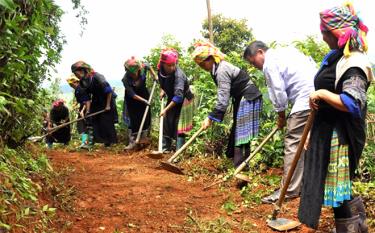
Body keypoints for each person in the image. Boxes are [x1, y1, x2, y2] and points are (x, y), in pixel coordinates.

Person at [298, 3, 373, 232]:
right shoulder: (336, 57)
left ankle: (350, 228)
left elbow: (352, 102)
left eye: (325, 33)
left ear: (337, 32)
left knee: (337, 186)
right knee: (335, 184)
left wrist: (321, 93)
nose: (322, 38)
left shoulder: (355, 62)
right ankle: (356, 225)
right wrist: (313, 131)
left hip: (341, 133)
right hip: (325, 129)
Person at [243, 41, 317, 203]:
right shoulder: (287, 51)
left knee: (293, 143)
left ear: (260, 52)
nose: (253, 65)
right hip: (318, 95)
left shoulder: (269, 63)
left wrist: (281, 115)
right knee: (308, 143)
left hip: (305, 100)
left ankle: (289, 190)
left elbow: (278, 91)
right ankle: (303, 185)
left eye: (252, 61)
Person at [192, 42, 262, 168]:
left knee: (242, 131)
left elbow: (223, 99)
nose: (202, 66)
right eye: (199, 65)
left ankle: (241, 167)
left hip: (248, 96)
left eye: (203, 63)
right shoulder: (216, 69)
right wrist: (212, 116)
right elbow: (224, 94)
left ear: (211, 59)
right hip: (241, 97)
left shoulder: (221, 70)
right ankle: (237, 163)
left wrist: (210, 117)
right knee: (238, 128)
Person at [71, 61, 118, 147]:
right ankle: (94, 141)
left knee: (106, 120)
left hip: (107, 98)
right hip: (96, 100)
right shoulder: (83, 82)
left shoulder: (97, 77)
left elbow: (109, 91)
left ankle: (109, 143)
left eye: (75, 72)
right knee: (94, 119)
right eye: (74, 73)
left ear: (82, 70)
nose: (75, 75)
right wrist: (88, 111)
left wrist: (107, 105)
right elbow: (87, 98)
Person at [158, 48, 194, 152]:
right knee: (166, 121)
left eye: (174, 64)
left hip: (184, 100)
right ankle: (165, 149)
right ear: (163, 64)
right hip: (172, 97)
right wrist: (162, 90)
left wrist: (165, 109)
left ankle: (179, 152)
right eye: (169, 65)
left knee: (180, 124)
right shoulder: (160, 70)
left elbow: (178, 96)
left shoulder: (179, 75)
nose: (172, 67)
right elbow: (162, 82)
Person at [122, 56, 157, 150]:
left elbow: (148, 66)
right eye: (131, 73)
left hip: (143, 93)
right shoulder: (125, 79)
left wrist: (155, 76)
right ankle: (132, 142)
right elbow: (132, 95)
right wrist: (144, 101)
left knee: (145, 117)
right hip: (132, 99)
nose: (134, 75)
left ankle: (144, 139)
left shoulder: (142, 67)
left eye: (135, 72)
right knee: (133, 119)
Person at [66, 74, 91, 149]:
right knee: (82, 126)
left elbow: (86, 100)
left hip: (86, 108)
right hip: (82, 108)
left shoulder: (81, 88)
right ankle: (85, 143)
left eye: (72, 84)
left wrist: (83, 111)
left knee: (84, 125)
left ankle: (87, 143)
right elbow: (80, 101)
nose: (71, 86)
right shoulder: (77, 89)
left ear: (76, 82)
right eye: (70, 85)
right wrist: (75, 106)